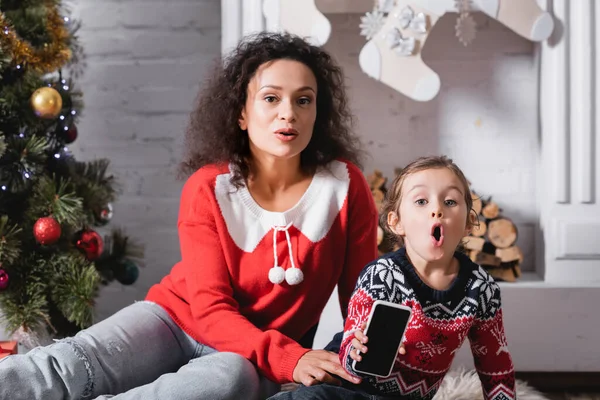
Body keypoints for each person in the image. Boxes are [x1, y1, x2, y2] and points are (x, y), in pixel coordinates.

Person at [0, 32, 379, 400]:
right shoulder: (209, 187)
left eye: (304, 100)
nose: (288, 113)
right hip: (174, 320)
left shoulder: (345, 187)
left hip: (247, 360)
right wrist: (289, 357)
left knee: (229, 381)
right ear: (242, 114)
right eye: (271, 98)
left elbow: (362, 303)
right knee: (66, 368)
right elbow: (212, 311)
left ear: (318, 112)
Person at [271, 155, 516, 400]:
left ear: (469, 224)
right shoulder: (381, 275)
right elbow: (349, 343)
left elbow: (495, 364)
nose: (437, 210)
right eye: (421, 201)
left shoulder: (481, 289)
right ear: (396, 222)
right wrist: (357, 349)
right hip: (345, 384)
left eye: (450, 201)